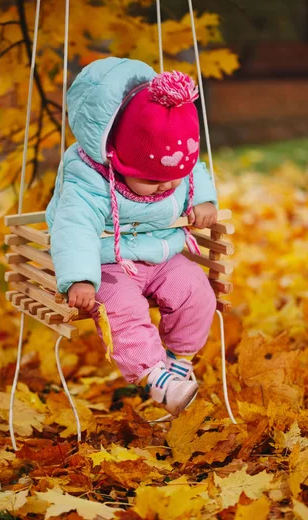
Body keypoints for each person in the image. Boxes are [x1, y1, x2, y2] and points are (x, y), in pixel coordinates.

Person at [46, 57, 218, 416]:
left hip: (161, 253)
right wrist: (80, 277)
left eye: (172, 177)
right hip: (108, 261)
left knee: (197, 292)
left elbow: (189, 170)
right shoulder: (87, 179)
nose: (167, 186)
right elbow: (74, 226)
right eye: (153, 180)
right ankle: (154, 376)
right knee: (121, 309)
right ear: (115, 156)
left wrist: (202, 198)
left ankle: (178, 360)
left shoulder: (170, 165)